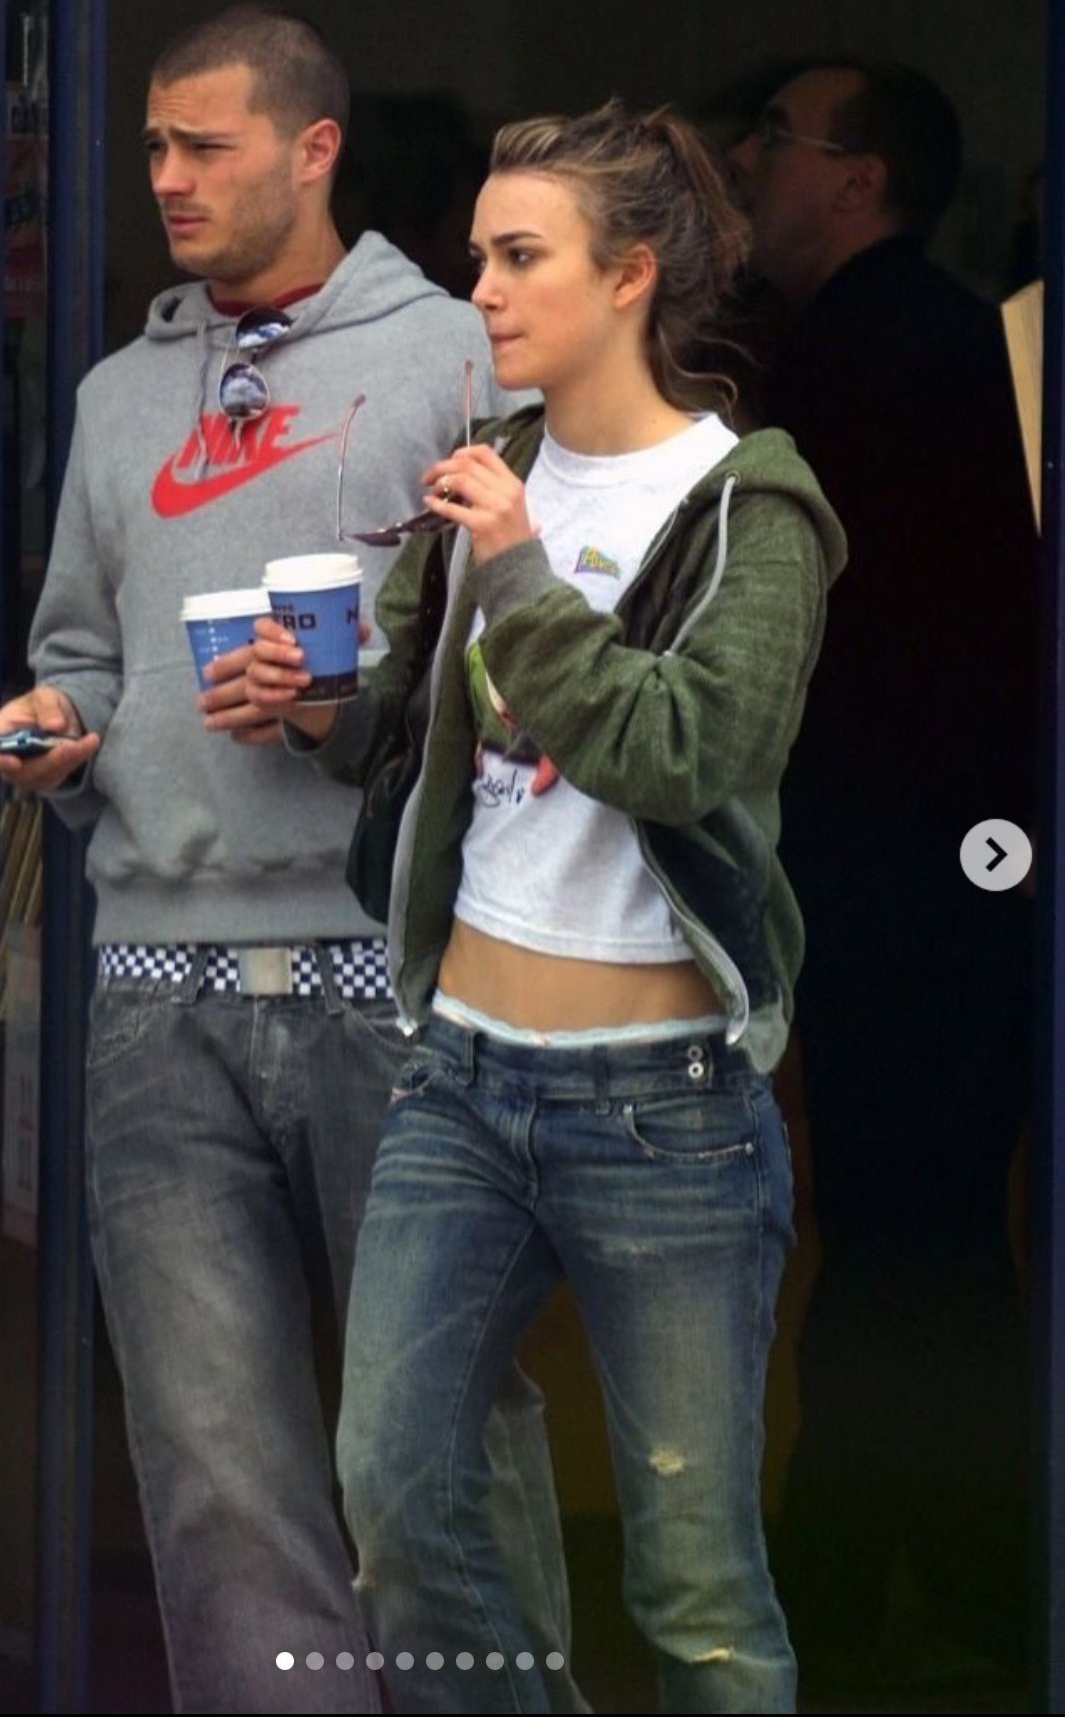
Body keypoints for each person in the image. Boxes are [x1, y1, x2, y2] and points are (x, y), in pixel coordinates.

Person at [0, 8, 578, 1712]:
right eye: (152, 147)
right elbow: (82, 652)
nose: (165, 178)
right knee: (216, 1472)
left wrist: (349, 705)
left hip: (397, 971)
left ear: (314, 150)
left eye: (204, 146)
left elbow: (549, 655)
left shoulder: (461, 356)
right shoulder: (117, 394)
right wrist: (62, 723)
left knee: (436, 1448)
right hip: (149, 986)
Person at [250, 99, 846, 1713]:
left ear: (629, 274)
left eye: (520, 258)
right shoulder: (493, 472)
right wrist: (313, 706)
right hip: (459, 1074)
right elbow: (400, 725)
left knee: (694, 1583)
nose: (485, 293)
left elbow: (683, 750)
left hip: (667, 1108)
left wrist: (515, 571)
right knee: (394, 1496)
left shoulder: (750, 508)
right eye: (478, 257)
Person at [730, 59, 1036, 1686]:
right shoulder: (934, 338)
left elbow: (855, 656)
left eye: (774, 141)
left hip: (899, 877)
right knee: (932, 1242)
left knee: (897, 1240)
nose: (747, 164)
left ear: (856, 180)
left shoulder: (862, 358)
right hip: (950, 875)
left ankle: (857, 1592)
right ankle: (950, 1581)